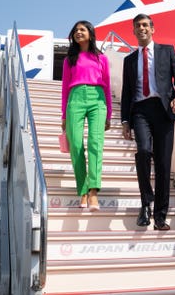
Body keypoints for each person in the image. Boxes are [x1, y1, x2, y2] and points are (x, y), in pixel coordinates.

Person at [121, 13, 175, 231]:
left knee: (163, 165)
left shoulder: (166, 51)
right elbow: (126, 91)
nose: (141, 28)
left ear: (152, 29)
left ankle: (160, 216)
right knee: (143, 151)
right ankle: (145, 204)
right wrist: (124, 121)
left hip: (164, 110)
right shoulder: (129, 60)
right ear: (133, 31)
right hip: (140, 111)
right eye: (137, 26)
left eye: (145, 25)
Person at [61, 20, 112, 212]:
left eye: (82, 29)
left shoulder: (102, 58)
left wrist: (109, 113)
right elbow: (65, 88)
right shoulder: (69, 60)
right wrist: (63, 115)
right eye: (75, 30)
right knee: (75, 145)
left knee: (95, 143)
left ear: (90, 33)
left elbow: (106, 85)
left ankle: (93, 192)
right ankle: (81, 189)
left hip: (97, 100)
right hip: (75, 99)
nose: (78, 32)